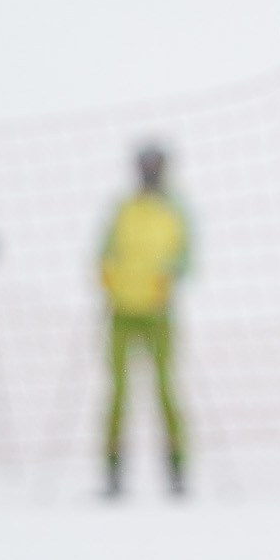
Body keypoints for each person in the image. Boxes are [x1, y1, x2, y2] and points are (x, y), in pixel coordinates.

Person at [98, 145, 190, 497]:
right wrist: (107, 276)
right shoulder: (123, 210)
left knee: (165, 389)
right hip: (121, 312)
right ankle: (112, 469)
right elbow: (105, 251)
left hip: (157, 313)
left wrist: (168, 279)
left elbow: (185, 258)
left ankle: (177, 467)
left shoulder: (175, 210)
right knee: (118, 392)